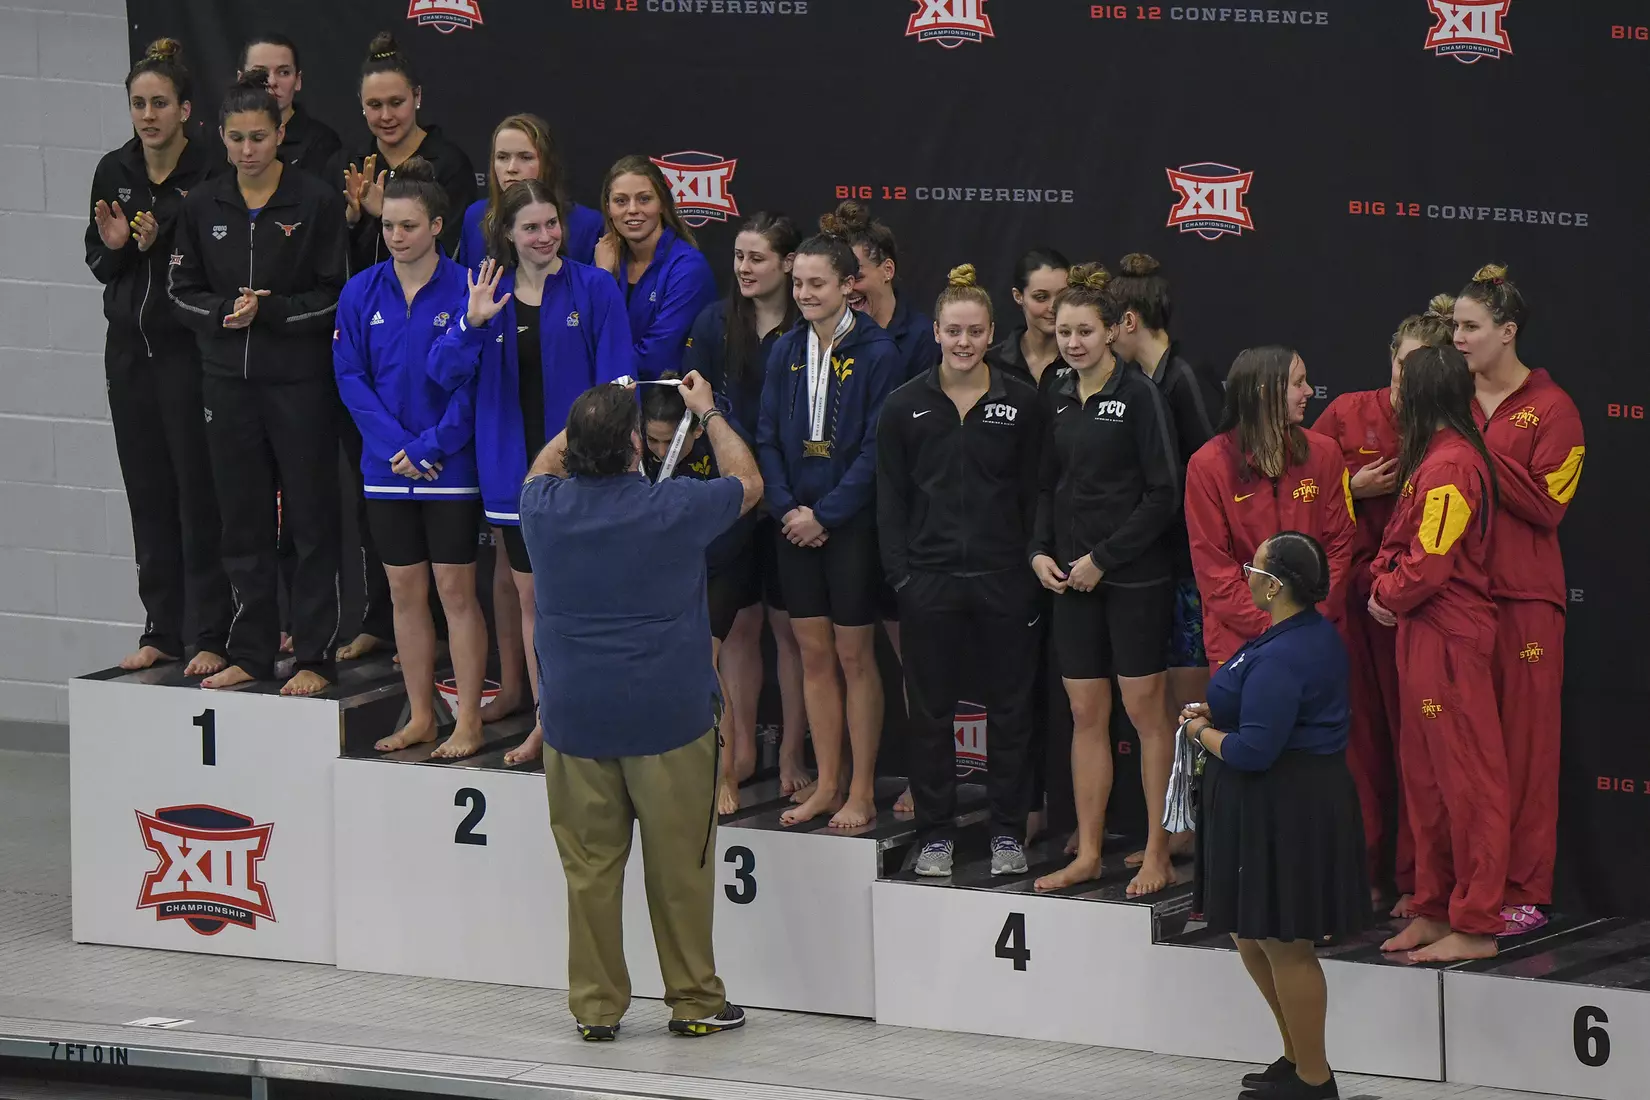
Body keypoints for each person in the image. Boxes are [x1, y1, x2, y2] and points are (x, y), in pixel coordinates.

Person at [522, 373, 760, 1041]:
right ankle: (694, 1002)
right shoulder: (672, 507)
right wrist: (708, 410)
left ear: (575, 449)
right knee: (680, 865)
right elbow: (749, 482)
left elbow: (543, 463)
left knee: (589, 871)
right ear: (636, 444)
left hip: (574, 720)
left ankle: (596, 1011)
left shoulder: (542, 506)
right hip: (668, 718)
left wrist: (586, 414)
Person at [167, 69, 347, 696]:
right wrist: (222, 314)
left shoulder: (316, 201)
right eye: (237, 138)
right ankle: (250, 649)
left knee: (310, 519)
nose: (249, 150)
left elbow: (334, 297)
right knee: (242, 522)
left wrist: (271, 310)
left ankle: (314, 654)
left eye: (260, 137)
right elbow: (178, 293)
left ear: (280, 134)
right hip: (226, 385)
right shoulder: (201, 204)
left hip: (298, 385)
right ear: (220, 137)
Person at [1183, 530, 1368, 1100]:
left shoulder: (1291, 652)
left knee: (1287, 941)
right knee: (1250, 932)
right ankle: (1295, 1056)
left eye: (1253, 567)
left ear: (1276, 583)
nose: (1246, 574)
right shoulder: (1286, 635)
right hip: (1263, 804)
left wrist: (1200, 731)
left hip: (1288, 806)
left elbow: (1254, 750)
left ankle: (1316, 1080)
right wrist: (1221, 707)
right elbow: (1258, 704)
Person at [455, 178, 632, 766]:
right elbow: (444, 374)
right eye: (530, 227)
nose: (544, 236)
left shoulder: (596, 287)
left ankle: (600, 719)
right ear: (506, 233)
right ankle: (545, 721)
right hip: (515, 479)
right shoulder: (487, 293)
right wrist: (472, 325)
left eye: (551, 224)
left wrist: (580, 454)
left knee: (593, 601)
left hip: (583, 477)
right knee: (536, 604)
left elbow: (617, 385)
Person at [876, 265, 1044, 877]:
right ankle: (936, 833)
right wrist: (903, 579)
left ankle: (1006, 833)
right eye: (953, 331)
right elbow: (889, 501)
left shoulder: (1022, 403)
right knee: (930, 716)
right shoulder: (903, 407)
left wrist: (1027, 569)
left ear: (992, 332)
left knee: (1010, 713)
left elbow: (1036, 496)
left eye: (975, 332)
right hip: (929, 583)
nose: (964, 342)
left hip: (1005, 580)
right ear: (937, 335)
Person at [1028, 265, 1181, 896]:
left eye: (1085, 331)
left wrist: (1104, 559)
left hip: (1132, 579)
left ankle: (1157, 853)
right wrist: (1039, 551)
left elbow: (1164, 493)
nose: (1072, 342)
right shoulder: (1056, 392)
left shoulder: (1141, 395)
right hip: (1069, 581)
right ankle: (1088, 851)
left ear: (1113, 331)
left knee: (1147, 715)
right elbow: (1044, 485)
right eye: (1063, 331)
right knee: (1086, 712)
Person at [332, 158, 491, 758]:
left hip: (447, 469)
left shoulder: (470, 288)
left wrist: (429, 447)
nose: (395, 236)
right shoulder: (360, 290)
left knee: (455, 592)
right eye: (389, 225)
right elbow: (349, 376)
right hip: (386, 469)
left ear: (437, 227)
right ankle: (423, 715)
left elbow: (474, 385)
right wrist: (394, 447)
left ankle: (469, 720)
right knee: (404, 594)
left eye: (408, 225)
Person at [88, 38, 232, 677]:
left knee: (196, 493)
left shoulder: (208, 173)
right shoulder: (113, 170)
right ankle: (161, 627)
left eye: (159, 104)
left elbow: (215, 260)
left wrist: (163, 235)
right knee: (147, 493)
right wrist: (121, 247)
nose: (148, 116)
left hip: (188, 356)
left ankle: (209, 628)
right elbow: (98, 260)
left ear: (185, 111)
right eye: (138, 104)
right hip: (129, 357)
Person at [1311, 295, 1456, 913]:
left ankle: (1420, 880)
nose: (1407, 383)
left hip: (1414, 606)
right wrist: (1350, 484)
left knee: (1419, 747)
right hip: (1349, 605)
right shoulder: (1347, 412)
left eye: (1421, 370)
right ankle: (1362, 872)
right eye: (1401, 368)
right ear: (1389, 364)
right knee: (1359, 745)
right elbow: (1291, 486)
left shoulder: (1451, 429)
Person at [757, 233, 902, 828]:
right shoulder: (785, 348)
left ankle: (863, 790)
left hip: (849, 527)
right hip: (793, 524)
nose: (805, 294)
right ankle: (828, 782)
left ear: (847, 285)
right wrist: (790, 508)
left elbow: (876, 448)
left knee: (854, 655)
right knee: (813, 655)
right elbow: (765, 436)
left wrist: (827, 515)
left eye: (818, 283)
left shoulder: (878, 351)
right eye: (798, 284)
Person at [1371, 344, 1507, 964]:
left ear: (1423, 397)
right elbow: (1403, 547)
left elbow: (1429, 565)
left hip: (1449, 636)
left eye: (1403, 385)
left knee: (1467, 782)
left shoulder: (1451, 466)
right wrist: (1386, 586)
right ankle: (1433, 905)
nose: (1393, 396)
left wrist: (1388, 592)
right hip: (1421, 633)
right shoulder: (1429, 458)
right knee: (1425, 781)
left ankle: (1476, 923)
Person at [1457, 264, 1583, 933]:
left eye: (1471, 327)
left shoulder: (1554, 409)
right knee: (1467, 752)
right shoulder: (1452, 395)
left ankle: (1524, 887)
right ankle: (1467, 882)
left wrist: (1473, 448)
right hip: (1457, 598)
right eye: (1454, 326)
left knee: (1526, 748)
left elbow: (1548, 504)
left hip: (1527, 599)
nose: (1459, 338)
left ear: (1507, 332)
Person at [683, 212, 812, 806]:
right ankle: (728, 762)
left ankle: (788, 752)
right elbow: (695, 411)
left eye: (757, 258)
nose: (744, 268)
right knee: (733, 632)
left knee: (791, 634)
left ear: (788, 264)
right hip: (732, 497)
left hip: (788, 496)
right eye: (738, 257)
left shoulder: (810, 327)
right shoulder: (714, 322)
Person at [1105, 252, 1225, 871]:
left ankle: (1200, 824)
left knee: (1192, 702)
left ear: (1127, 321)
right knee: (1172, 705)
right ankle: (1180, 823)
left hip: (1194, 572)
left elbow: (1215, 475)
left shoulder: (1182, 380)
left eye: (1103, 325)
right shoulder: (1140, 384)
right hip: (1160, 566)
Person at [1185, 347, 1356, 671]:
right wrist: (1277, 627)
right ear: (1265, 392)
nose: (1308, 391)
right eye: (1298, 383)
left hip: (1316, 634)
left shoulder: (1325, 453)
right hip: (1243, 642)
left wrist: (1307, 621)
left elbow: (1339, 547)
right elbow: (1215, 571)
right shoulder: (1208, 466)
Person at [641, 378, 765, 809]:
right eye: (651, 440)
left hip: (724, 559)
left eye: (667, 441)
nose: (659, 452)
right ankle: (697, 762)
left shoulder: (723, 440)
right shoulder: (638, 446)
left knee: (706, 660)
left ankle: (725, 775)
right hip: (673, 567)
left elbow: (746, 503)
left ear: (694, 430)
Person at [338, 32, 476, 274]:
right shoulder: (346, 164)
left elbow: (453, 254)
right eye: (374, 105)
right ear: (361, 103)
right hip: (363, 306)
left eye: (396, 102)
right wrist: (350, 220)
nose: (386, 116)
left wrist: (386, 213)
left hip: (431, 306)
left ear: (417, 96)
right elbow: (327, 266)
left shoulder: (450, 165)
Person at [593, 155, 717, 381]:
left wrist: (599, 365)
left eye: (644, 199)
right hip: (612, 405)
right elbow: (582, 335)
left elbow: (656, 358)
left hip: (666, 407)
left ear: (662, 203)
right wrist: (602, 275)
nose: (632, 210)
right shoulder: (605, 260)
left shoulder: (688, 268)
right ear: (608, 208)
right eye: (621, 201)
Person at [457, 113, 603, 269]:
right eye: (502, 157)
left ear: (547, 164)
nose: (511, 168)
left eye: (525, 157)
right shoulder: (475, 216)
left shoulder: (587, 225)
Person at [825, 200, 939, 384]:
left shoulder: (922, 338)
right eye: (840, 280)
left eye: (857, 277)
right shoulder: (825, 335)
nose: (848, 289)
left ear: (888, 270)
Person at [238, 33, 341, 178]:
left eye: (284, 72)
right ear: (241, 79)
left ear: (298, 80)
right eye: (260, 73)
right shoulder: (220, 142)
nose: (272, 81)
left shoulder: (322, 143)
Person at [988, 248, 1070, 394]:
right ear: (1018, 296)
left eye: (1062, 296)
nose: (1053, 307)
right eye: (1041, 297)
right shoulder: (992, 363)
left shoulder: (1084, 360)